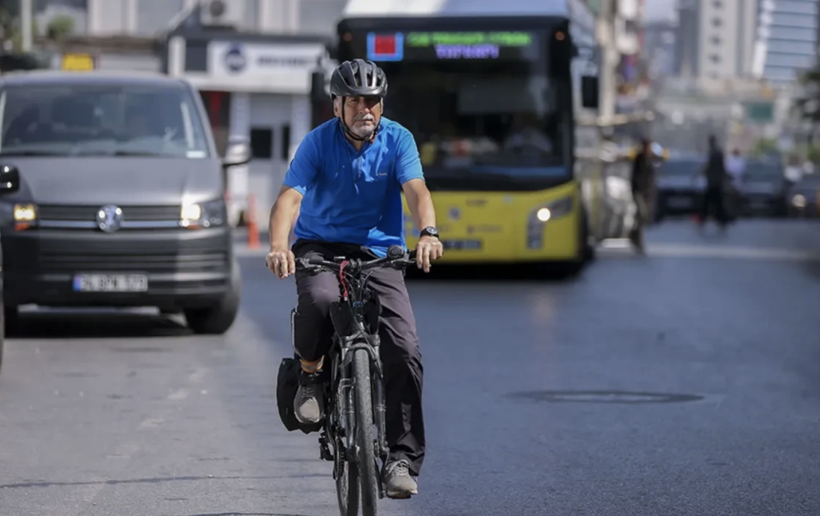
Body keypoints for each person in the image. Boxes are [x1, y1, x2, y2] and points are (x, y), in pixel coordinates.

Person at [264, 59, 443, 499]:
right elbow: (289, 198)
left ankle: (401, 458)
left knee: (404, 347)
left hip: (379, 252)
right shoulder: (317, 142)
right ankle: (310, 375)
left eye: (373, 101)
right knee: (322, 300)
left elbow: (416, 190)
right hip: (320, 246)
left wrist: (428, 233)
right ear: (337, 106)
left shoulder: (398, 138)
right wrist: (279, 246)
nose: (366, 109)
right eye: (356, 101)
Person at [629, 137, 656, 253]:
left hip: (645, 192)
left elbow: (651, 177)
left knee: (641, 218)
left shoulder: (649, 159)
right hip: (638, 192)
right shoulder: (639, 158)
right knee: (641, 215)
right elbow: (634, 176)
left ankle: (634, 236)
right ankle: (636, 238)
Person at [697, 135, 729, 230]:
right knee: (716, 202)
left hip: (714, 182)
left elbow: (710, 166)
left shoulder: (715, 153)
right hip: (716, 182)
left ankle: (707, 219)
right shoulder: (717, 152)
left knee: (710, 202)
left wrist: (701, 172)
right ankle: (721, 220)